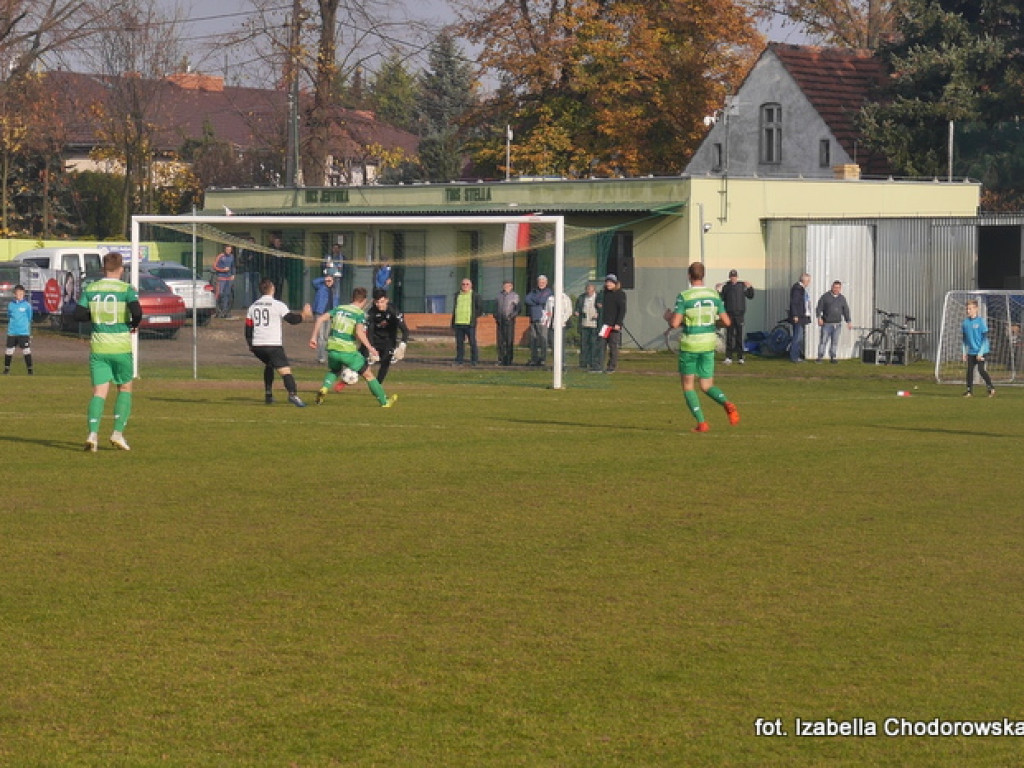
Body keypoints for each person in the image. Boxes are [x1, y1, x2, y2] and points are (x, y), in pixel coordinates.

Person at [73, 252, 143, 451]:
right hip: (120, 346)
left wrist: (94, 316)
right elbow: (137, 312)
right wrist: (133, 324)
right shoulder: (126, 289)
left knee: (99, 392)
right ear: (121, 269)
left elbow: (77, 314)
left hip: (99, 347)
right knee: (125, 388)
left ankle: (92, 435)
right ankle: (117, 433)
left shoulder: (92, 288)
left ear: (104, 269)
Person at [666, 261, 740, 433]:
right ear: (703, 275)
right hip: (708, 343)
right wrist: (711, 322)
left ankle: (702, 423)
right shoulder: (714, 295)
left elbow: (675, 323)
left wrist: (669, 316)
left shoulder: (684, 296)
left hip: (691, 344)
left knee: (688, 386)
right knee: (706, 385)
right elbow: (727, 321)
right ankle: (726, 402)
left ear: (689, 276)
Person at [309, 286, 397, 408]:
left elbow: (320, 319)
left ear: (352, 298)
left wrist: (313, 337)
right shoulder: (359, 314)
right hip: (348, 351)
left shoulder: (339, 308)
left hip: (333, 349)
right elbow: (359, 333)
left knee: (334, 370)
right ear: (364, 300)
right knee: (368, 375)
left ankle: (324, 388)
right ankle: (384, 402)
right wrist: (370, 348)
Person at [244, 278, 312, 407]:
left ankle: (268, 395)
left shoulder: (253, 306)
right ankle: (293, 395)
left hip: (258, 346)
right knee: (285, 371)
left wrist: (250, 346)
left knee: (269, 365)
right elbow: (292, 320)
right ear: (272, 289)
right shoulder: (278, 305)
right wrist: (304, 314)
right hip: (272, 345)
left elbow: (248, 329)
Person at [365, 288, 409, 384]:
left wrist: (402, 346)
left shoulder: (394, 311)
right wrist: (371, 348)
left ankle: (377, 385)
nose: (379, 305)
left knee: (385, 362)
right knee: (361, 362)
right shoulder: (371, 312)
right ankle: (344, 382)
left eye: (382, 302)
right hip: (375, 339)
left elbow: (405, 331)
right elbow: (370, 330)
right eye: (377, 302)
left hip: (389, 340)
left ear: (387, 300)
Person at [716, 269, 754, 364]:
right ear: (730, 277)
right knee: (729, 335)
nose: (733, 278)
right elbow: (721, 298)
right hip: (729, 314)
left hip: (739, 314)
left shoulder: (741, 286)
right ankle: (729, 357)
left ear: (737, 277)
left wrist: (750, 287)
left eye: (735, 276)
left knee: (739, 336)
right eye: (732, 276)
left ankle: (740, 357)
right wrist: (718, 291)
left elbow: (750, 296)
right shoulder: (726, 287)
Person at [962, 298, 996, 397]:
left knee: (981, 370)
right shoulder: (965, 323)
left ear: (976, 309)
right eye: (967, 309)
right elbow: (964, 339)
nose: (968, 311)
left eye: (970, 309)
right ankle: (969, 391)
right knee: (969, 371)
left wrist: (980, 353)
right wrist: (964, 352)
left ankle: (991, 387)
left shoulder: (981, 321)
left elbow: (985, 339)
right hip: (972, 351)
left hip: (982, 350)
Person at [815, 280, 852, 363]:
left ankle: (833, 357)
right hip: (827, 324)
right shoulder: (825, 297)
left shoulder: (842, 298)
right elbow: (819, 308)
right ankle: (820, 357)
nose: (836, 289)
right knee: (823, 341)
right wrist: (819, 318)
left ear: (840, 288)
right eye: (835, 287)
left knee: (834, 342)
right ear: (832, 287)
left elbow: (846, 310)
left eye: (838, 288)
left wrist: (848, 321)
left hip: (837, 325)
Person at [596, 273, 626, 373]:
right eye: (607, 282)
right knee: (601, 345)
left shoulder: (620, 294)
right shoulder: (604, 293)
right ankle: (599, 365)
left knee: (613, 346)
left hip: (614, 325)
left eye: (610, 282)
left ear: (615, 283)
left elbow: (622, 310)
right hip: (605, 324)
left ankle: (611, 366)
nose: (608, 284)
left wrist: (618, 323)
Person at [451, 277, 483, 365]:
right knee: (459, 343)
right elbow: (455, 309)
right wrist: (453, 321)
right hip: (459, 322)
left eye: (467, 284)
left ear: (471, 285)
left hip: (469, 323)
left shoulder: (475, 296)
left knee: (472, 342)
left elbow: (479, 309)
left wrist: (473, 316)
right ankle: (459, 359)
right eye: (463, 284)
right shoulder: (457, 295)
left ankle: (474, 360)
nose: (465, 286)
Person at [4, 284, 33, 375]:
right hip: (12, 332)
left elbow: (29, 317)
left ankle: (30, 370)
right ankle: (6, 369)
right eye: (18, 293)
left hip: (23, 333)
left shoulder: (27, 305)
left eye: (22, 293)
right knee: (9, 351)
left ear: (24, 294)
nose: (20, 295)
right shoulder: (11, 305)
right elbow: (9, 316)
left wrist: (27, 330)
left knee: (26, 350)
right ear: (14, 294)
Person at [524, 275, 553, 366]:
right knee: (533, 339)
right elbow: (527, 299)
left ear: (546, 283)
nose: (541, 284)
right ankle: (534, 358)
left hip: (543, 319)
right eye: (540, 282)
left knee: (543, 339)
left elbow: (542, 300)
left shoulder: (548, 291)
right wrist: (537, 301)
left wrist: (535, 301)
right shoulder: (533, 291)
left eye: (543, 282)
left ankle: (543, 358)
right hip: (533, 317)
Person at [311, 272, 338, 364]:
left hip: (330, 315)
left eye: (331, 280)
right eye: (328, 280)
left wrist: (335, 313)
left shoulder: (335, 290)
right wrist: (324, 279)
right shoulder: (321, 287)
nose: (329, 282)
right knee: (321, 336)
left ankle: (325, 356)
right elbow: (314, 282)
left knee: (327, 336)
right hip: (320, 313)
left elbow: (336, 302)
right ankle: (321, 357)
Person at [545, 289, 573, 368]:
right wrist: (546, 319)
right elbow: (546, 310)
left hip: (561, 325)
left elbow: (568, 311)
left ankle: (562, 362)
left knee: (560, 344)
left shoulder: (565, 298)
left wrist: (561, 321)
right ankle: (556, 363)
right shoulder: (550, 298)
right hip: (551, 324)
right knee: (553, 343)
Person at [575, 282, 600, 370]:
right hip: (584, 324)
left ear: (594, 290)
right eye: (587, 290)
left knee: (593, 344)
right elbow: (578, 307)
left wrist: (598, 314)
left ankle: (593, 362)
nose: (589, 291)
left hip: (594, 325)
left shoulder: (598, 298)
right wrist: (577, 312)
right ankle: (583, 363)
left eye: (590, 290)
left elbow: (601, 309)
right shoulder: (582, 297)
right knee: (584, 344)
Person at [495, 279, 519, 366]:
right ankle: (501, 358)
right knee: (500, 341)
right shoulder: (499, 295)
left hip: (509, 320)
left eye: (508, 285)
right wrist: (496, 316)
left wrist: (511, 316)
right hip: (500, 320)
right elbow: (496, 307)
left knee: (509, 340)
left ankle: (509, 359)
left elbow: (517, 309)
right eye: (505, 285)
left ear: (511, 287)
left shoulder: (514, 296)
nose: (506, 287)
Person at [789, 272, 812, 363]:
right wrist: (795, 315)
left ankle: (796, 355)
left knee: (799, 337)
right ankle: (795, 357)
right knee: (797, 337)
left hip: (802, 316)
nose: (809, 283)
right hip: (798, 317)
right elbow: (794, 303)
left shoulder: (800, 289)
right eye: (808, 281)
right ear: (804, 280)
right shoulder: (797, 289)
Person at [213, 244, 236, 318]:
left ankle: (225, 311)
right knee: (220, 294)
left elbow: (233, 266)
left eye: (230, 250)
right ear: (224, 249)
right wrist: (222, 270)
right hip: (221, 278)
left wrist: (233, 274)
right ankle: (218, 311)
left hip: (228, 278)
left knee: (227, 294)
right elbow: (214, 266)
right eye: (227, 249)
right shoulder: (220, 256)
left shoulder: (232, 257)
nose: (228, 251)